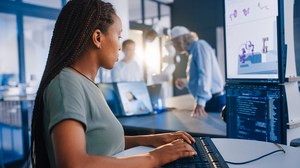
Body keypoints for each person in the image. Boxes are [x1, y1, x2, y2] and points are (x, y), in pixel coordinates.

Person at [30, 1, 196, 168]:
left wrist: (152, 139)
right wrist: (154, 158)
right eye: (119, 36)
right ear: (97, 38)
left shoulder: (85, 83)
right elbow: (73, 164)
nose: (119, 47)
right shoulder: (66, 84)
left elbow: (104, 144)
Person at [171, 26, 225, 119]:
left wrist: (200, 102)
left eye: (174, 42)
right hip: (211, 99)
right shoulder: (193, 51)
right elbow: (201, 78)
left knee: (213, 133)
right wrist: (186, 83)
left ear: (181, 40)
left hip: (214, 101)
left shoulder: (199, 46)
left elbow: (205, 75)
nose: (174, 46)